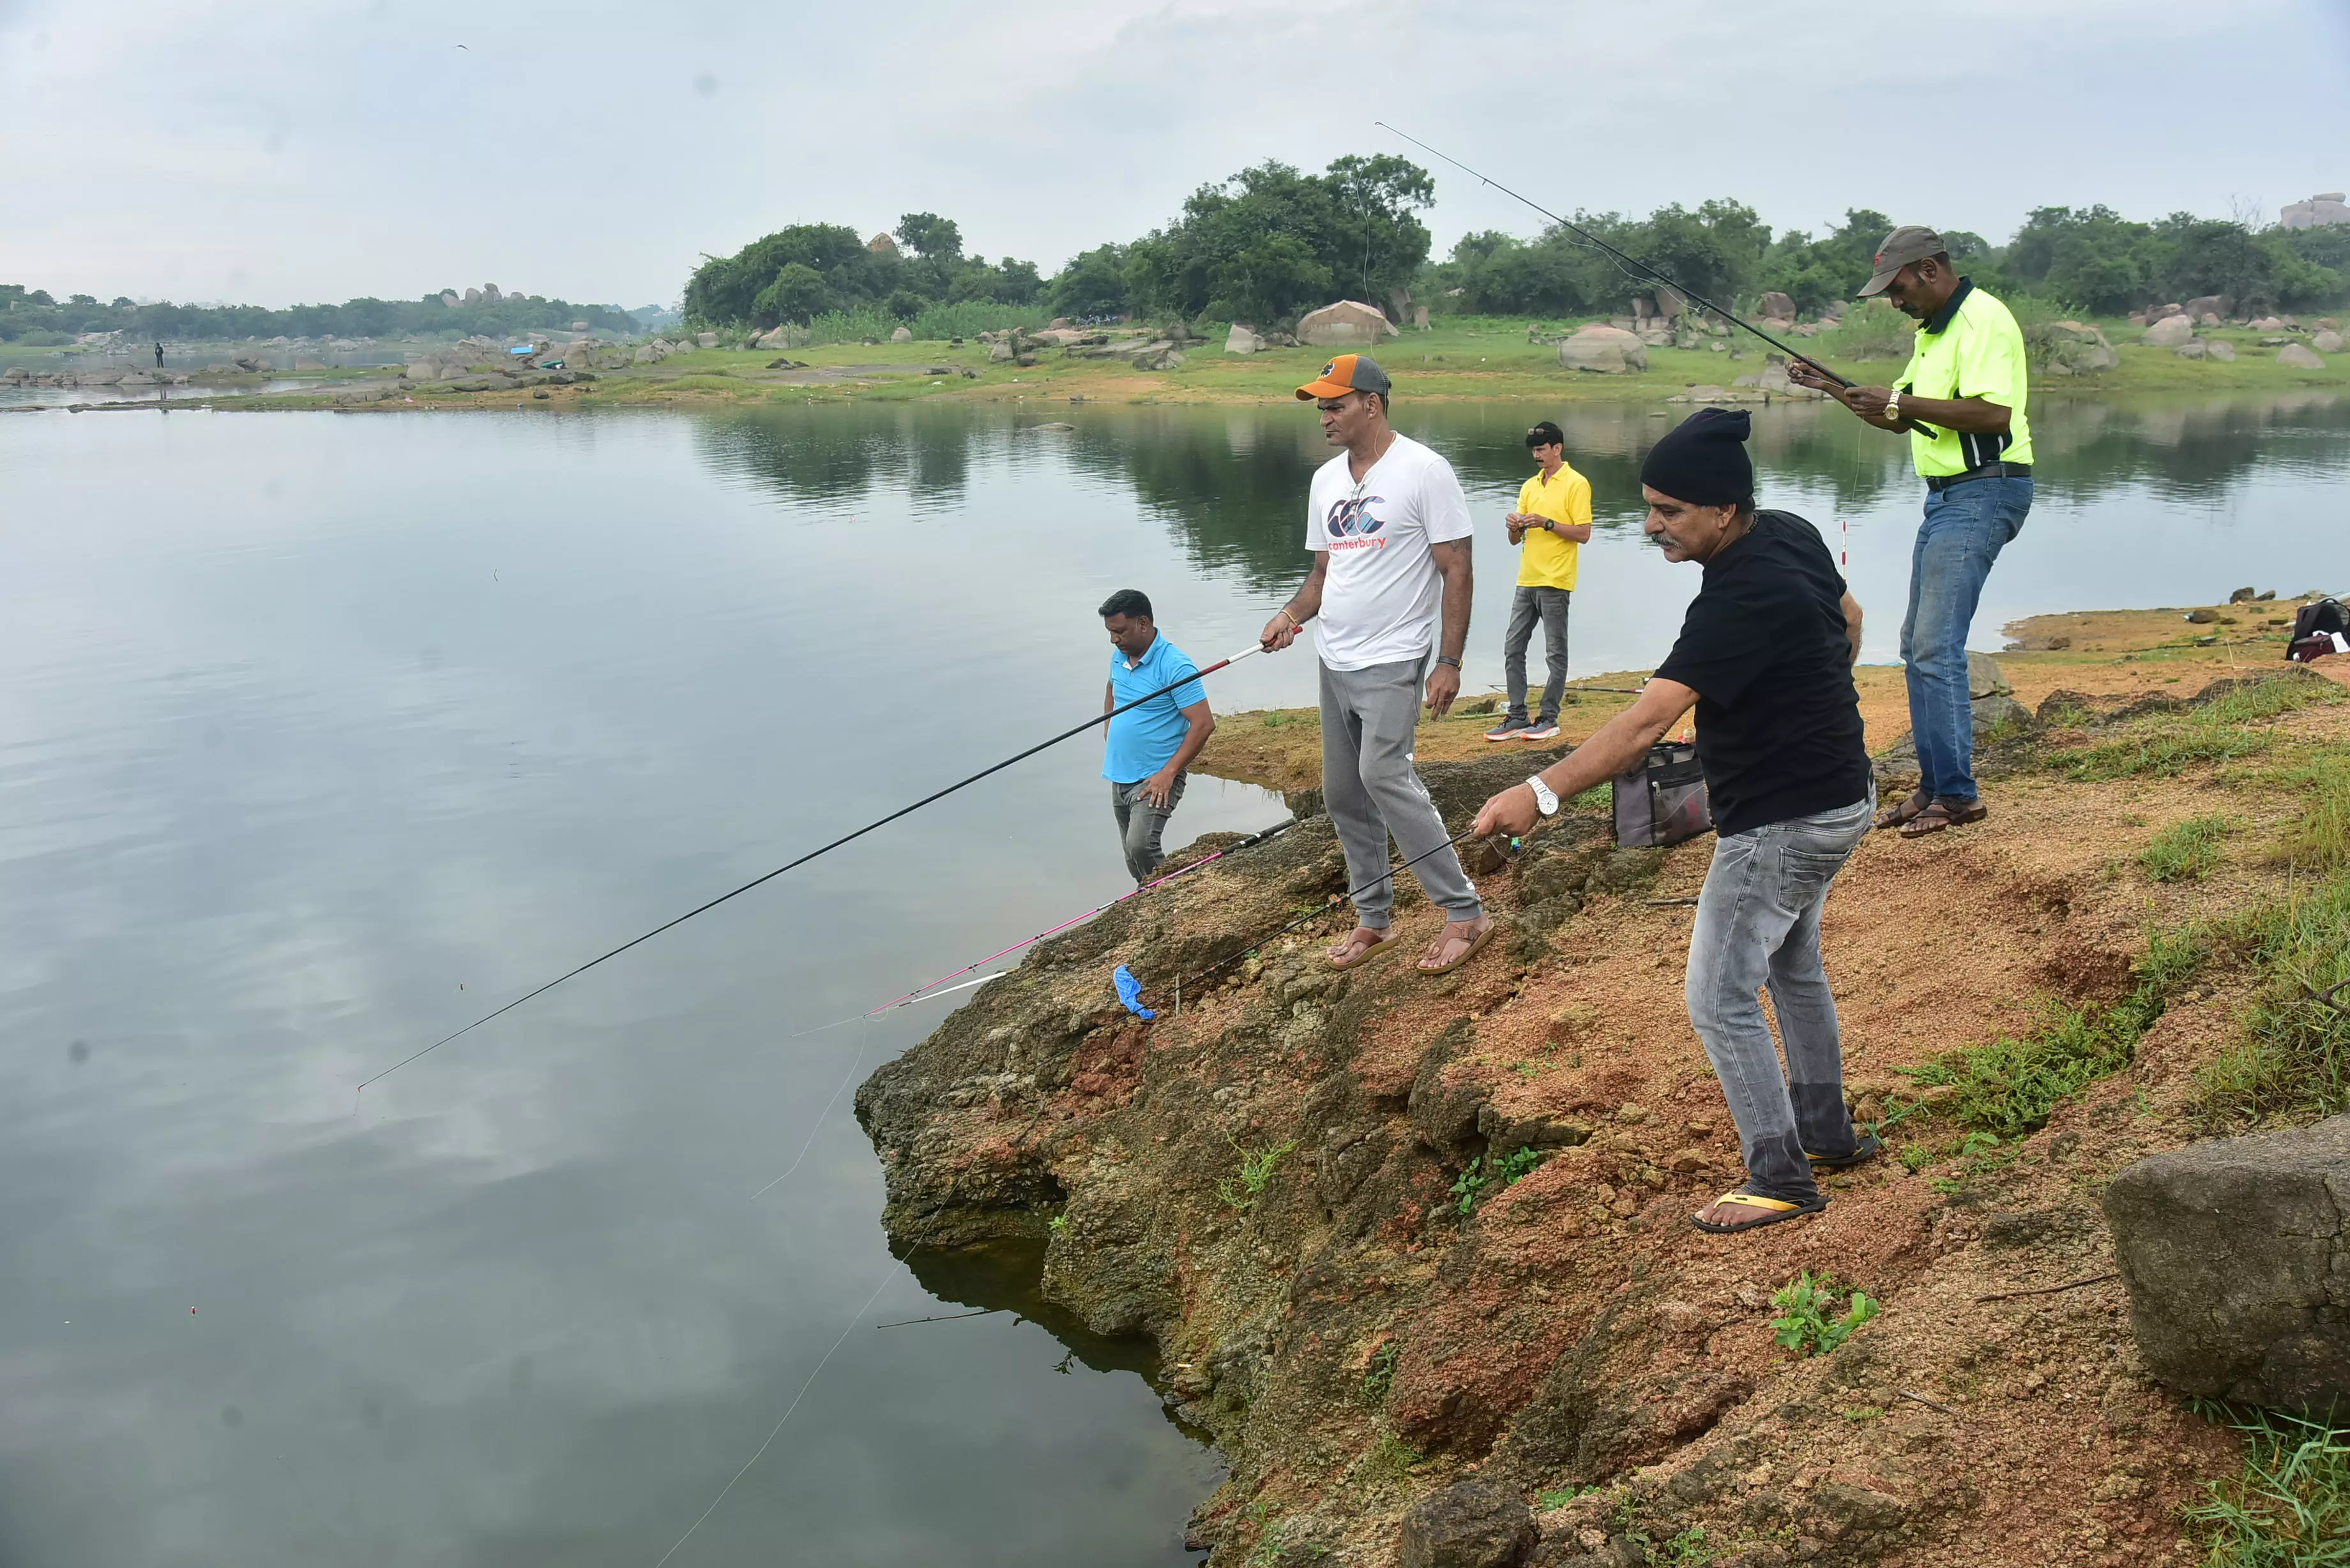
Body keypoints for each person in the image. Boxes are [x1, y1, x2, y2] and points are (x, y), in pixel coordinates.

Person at [1470, 409, 1875, 1235]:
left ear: (1724, 511)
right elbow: (1853, 617)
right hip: (1844, 796)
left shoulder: (1736, 599)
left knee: (1720, 995)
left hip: (1784, 823)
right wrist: (1802, 699)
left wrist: (1539, 794)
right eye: (1650, 505)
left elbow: (1645, 724)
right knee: (1794, 964)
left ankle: (1781, 1177)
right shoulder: (1790, 533)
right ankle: (1826, 1133)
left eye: (1671, 511)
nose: (1651, 524)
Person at [1786, 225, 2032, 840]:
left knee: (1934, 646)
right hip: (1946, 497)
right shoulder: (1935, 330)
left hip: (1985, 490)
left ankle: (1958, 794)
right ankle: (1933, 786)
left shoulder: (1981, 319)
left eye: (1896, 288)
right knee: (1915, 644)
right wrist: (1835, 389)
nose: (1894, 302)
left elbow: (1991, 413)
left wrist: (1901, 404)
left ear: (1928, 269)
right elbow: (1902, 420)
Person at [1260, 354, 1495, 976]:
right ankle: (1374, 917)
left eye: (1335, 405)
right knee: (1341, 791)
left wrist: (1448, 661)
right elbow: (1320, 575)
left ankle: (1463, 909)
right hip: (1333, 656)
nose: (1325, 417)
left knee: (1384, 774)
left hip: (1394, 656)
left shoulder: (1424, 471)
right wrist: (1289, 614)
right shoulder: (1324, 481)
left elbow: (1457, 567)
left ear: (1372, 402)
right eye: (1320, 408)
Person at [1485, 419, 1592, 743]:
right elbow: (1513, 541)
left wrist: (1547, 523)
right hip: (1527, 579)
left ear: (1557, 448)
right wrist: (1514, 525)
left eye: (1542, 449)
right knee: (1513, 647)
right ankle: (1518, 715)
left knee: (1555, 653)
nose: (1537, 455)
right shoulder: (1530, 486)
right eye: (1534, 450)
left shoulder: (1576, 483)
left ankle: (1549, 717)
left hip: (1556, 580)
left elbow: (1583, 534)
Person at [1099, 589, 1215, 885]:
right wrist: (1109, 726)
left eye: (1120, 631)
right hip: (1119, 773)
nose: (1114, 639)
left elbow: (1203, 724)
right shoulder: (1119, 656)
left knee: (1141, 846)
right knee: (1130, 853)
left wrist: (1169, 773)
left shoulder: (1175, 666)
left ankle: (1172, 900)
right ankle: (1146, 901)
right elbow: (1112, 688)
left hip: (1156, 778)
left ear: (1143, 623)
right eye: (1111, 632)